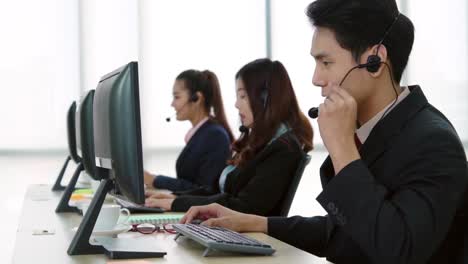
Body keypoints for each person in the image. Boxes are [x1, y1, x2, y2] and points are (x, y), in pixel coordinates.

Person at [179, 1, 468, 264]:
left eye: (326, 62)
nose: (316, 79)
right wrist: (255, 222)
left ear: (375, 60)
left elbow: (398, 249)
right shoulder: (372, 131)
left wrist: (343, 149)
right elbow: (345, 231)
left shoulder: (433, 142)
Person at [145, 58, 314, 216]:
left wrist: (177, 204)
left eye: (243, 96)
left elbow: (243, 206)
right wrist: (175, 198)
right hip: (230, 230)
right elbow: (215, 191)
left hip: (248, 238)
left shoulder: (282, 148)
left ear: (264, 99)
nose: (236, 104)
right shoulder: (258, 142)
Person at [144, 69, 234, 193]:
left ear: (196, 98)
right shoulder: (201, 134)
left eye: (177, 97)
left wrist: (155, 180)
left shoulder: (215, 136)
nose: (172, 104)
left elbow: (205, 190)